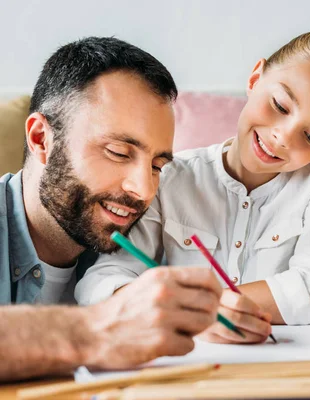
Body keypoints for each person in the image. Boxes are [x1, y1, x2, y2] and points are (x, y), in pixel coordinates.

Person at [75, 29, 310, 339]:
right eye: (280, 106)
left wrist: (209, 306)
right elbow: (101, 281)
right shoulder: (172, 176)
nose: (282, 137)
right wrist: (176, 311)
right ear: (255, 78)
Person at [0, 37, 225, 381]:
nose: (144, 189)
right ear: (41, 139)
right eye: (119, 152)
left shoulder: (144, 240)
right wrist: (94, 331)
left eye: (157, 166)